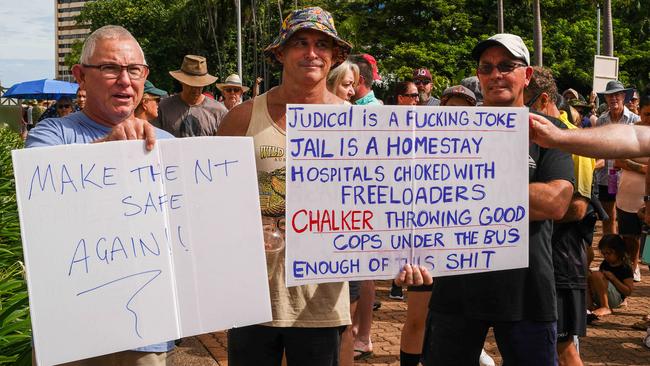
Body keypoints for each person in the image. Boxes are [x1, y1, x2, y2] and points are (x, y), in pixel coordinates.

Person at [422, 33, 574, 366]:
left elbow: (555, 202)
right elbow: (422, 199)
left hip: (527, 289)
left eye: (507, 66)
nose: (496, 75)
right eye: (487, 67)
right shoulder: (450, 132)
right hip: (456, 287)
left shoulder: (548, 130)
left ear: (527, 75)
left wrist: (464, 192)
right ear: (479, 75)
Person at [26, 25, 171, 365]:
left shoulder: (169, 146)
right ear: (80, 76)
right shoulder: (51, 135)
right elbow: (40, 201)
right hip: (70, 332)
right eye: (110, 68)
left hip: (146, 333)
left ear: (145, 75)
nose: (125, 80)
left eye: (134, 69)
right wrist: (109, 148)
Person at [217, 7, 352, 366]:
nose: (312, 53)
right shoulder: (243, 117)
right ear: (280, 52)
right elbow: (213, 201)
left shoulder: (355, 124)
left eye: (322, 45)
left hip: (320, 298)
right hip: (252, 296)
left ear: (333, 56)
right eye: (300, 43)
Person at [525, 66, 595, 366]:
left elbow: (579, 207)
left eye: (523, 102)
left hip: (562, 261)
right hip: (538, 259)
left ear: (541, 101)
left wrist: (531, 208)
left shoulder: (571, 140)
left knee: (564, 348)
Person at [325, 59, 360, 366]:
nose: (351, 92)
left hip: (349, 241)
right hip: (318, 240)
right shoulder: (305, 122)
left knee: (345, 322)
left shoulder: (360, 124)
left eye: (353, 86)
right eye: (346, 85)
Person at [594, 81, 640, 235]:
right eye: (609, 96)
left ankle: (625, 255)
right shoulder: (602, 120)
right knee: (608, 217)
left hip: (628, 177)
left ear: (623, 97)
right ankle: (612, 252)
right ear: (606, 99)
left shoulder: (634, 120)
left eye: (616, 95)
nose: (613, 98)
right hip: (608, 176)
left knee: (626, 218)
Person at [614, 95, 650, 282]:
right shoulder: (630, 131)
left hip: (647, 201)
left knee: (648, 244)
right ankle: (632, 268)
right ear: (639, 111)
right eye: (647, 114)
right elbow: (619, 160)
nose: (649, 119)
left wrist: (632, 162)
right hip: (627, 195)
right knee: (629, 238)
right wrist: (642, 168)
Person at [155, 54, 227, 137]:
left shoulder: (219, 111)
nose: (196, 89)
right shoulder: (163, 108)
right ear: (181, 81)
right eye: (191, 84)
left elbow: (224, 145)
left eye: (200, 85)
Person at [587, 234, 634, 319]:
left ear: (618, 251)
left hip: (616, 298)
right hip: (601, 295)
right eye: (603, 253)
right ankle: (590, 306)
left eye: (609, 253)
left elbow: (628, 291)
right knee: (587, 274)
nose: (606, 256)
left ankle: (605, 306)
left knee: (596, 275)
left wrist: (613, 279)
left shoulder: (625, 267)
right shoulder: (605, 263)